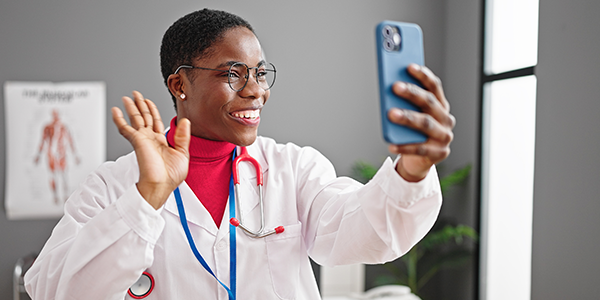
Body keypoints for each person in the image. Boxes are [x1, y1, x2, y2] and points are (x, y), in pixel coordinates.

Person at [25, 8, 454, 300]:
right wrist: (145, 200)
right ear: (179, 85)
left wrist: (411, 170)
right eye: (233, 73)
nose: (256, 90)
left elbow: (366, 233)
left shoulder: (294, 168)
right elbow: (54, 290)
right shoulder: (113, 186)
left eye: (260, 73)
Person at [33, 109, 81, 204]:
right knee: (53, 176)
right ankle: (55, 196)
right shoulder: (47, 127)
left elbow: (70, 141)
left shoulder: (63, 127)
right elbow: (42, 141)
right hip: (51, 154)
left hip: (62, 154)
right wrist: (38, 155)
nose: (56, 118)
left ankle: (66, 196)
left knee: (64, 175)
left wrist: (75, 155)